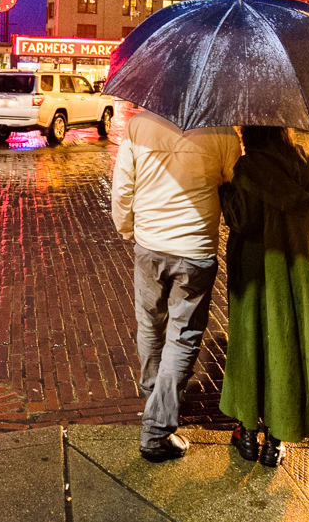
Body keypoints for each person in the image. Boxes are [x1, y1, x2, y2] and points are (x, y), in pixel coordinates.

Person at [111, 111, 241, 463]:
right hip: (196, 250)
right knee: (183, 335)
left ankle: (155, 399)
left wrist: (126, 228)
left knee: (149, 323)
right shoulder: (222, 131)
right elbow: (233, 182)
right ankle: (158, 426)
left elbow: (123, 186)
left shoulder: (139, 125)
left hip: (150, 244)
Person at [218, 126, 309, 468]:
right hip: (298, 272)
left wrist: (226, 191)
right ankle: (275, 442)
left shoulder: (248, 168)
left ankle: (248, 434)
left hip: (256, 272)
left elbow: (243, 221)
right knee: (288, 352)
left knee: (251, 349)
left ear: (251, 134)